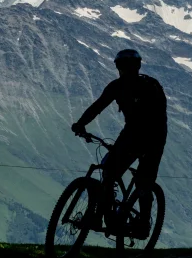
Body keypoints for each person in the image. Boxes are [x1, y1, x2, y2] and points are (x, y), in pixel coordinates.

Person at [71, 48, 167, 238]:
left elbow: (159, 117)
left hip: (153, 137)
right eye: (122, 66)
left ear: (137, 67)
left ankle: (143, 224)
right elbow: (98, 106)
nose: (125, 70)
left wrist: (147, 146)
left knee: (144, 182)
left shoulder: (150, 86)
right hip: (131, 134)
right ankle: (102, 217)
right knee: (108, 171)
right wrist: (81, 124)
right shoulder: (116, 86)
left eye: (128, 66)